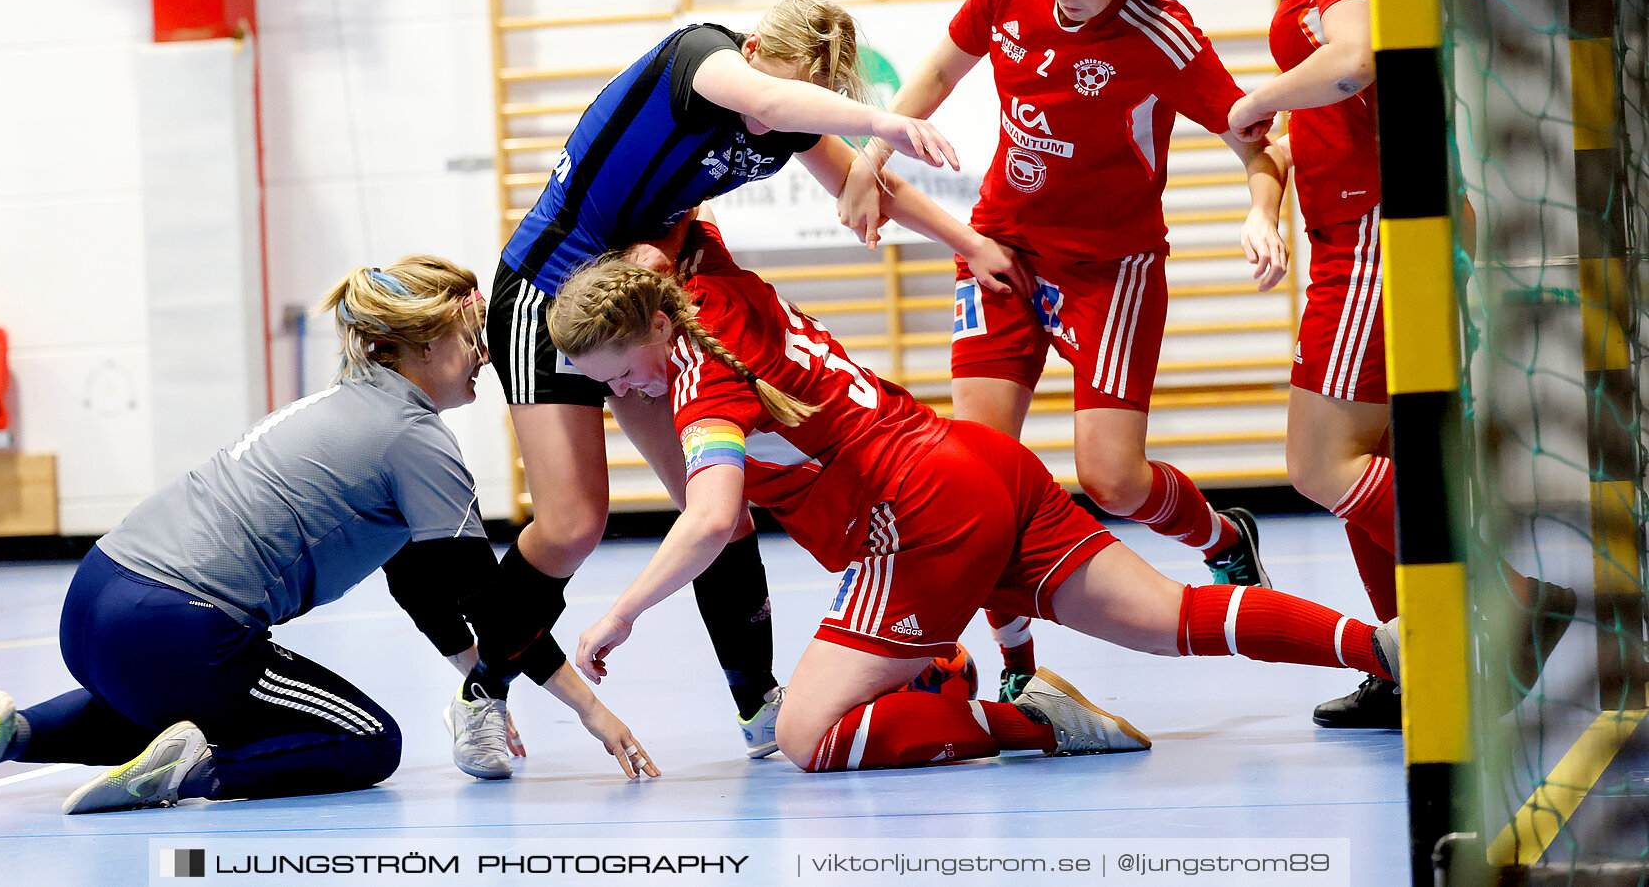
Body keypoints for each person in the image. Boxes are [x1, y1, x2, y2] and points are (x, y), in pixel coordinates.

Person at [546, 220, 1398, 773]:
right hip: (977, 461)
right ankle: (1385, 648)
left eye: (624, 375)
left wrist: (619, 613)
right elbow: (678, 226)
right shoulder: (720, 289)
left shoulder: (700, 384)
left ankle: (1031, 722)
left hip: (916, 520)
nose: (633, 394)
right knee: (1173, 617)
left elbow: (712, 518)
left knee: (809, 737)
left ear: (658, 328)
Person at [0, 257, 657, 814]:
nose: (483, 356)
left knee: (169, 694)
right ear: (420, 345)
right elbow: (494, 605)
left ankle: (11, 730)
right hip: (177, 627)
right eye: (468, 338)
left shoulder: (341, 402)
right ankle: (192, 772)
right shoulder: (413, 437)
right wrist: (591, 710)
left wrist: (478, 683)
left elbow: (416, 583)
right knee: (368, 741)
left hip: (96, 600)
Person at [488, 0, 1029, 754]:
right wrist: (881, 122)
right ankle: (482, 691)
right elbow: (772, 99)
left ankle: (756, 705)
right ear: (751, 56)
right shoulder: (701, 61)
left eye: (793, 118)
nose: (773, 128)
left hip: (639, 298)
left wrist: (967, 242)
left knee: (715, 503)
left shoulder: (794, 114)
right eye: (776, 107)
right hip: (550, 289)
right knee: (575, 523)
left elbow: (862, 186)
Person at [838, 0, 1290, 701]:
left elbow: (1261, 148)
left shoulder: (1163, 35)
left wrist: (1265, 214)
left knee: (1112, 480)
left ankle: (1224, 534)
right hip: (1002, 250)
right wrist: (872, 158)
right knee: (980, 480)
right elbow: (939, 69)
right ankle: (1016, 666)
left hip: (1108, 273)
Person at [1230, 0, 1573, 727]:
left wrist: (1255, 104)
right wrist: (1276, 180)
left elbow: (1358, 55)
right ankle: (1408, 660)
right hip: (1371, 216)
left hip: (1378, 231)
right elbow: (1352, 104)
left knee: (1319, 463)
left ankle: (1516, 598)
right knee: (1375, 454)